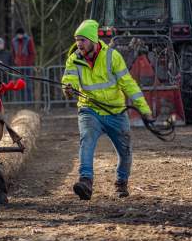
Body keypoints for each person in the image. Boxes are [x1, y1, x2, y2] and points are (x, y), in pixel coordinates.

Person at [62, 19, 153, 200]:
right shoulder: (74, 59)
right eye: (77, 39)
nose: (79, 43)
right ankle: (85, 181)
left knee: (125, 151)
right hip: (89, 110)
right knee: (86, 139)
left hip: (116, 112)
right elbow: (68, 80)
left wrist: (144, 109)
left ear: (94, 40)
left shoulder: (112, 57)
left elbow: (129, 85)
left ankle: (121, 183)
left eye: (83, 40)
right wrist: (68, 89)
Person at [11, 28, 36, 101]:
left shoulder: (28, 40)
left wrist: (29, 64)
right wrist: (14, 62)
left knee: (28, 85)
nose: (19, 36)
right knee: (20, 84)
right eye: (18, 34)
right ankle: (21, 101)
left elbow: (32, 53)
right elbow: (13, 53)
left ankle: (29, 101)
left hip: (27, 66)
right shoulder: (14, 41)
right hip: (18, 66)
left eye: (20, 34)